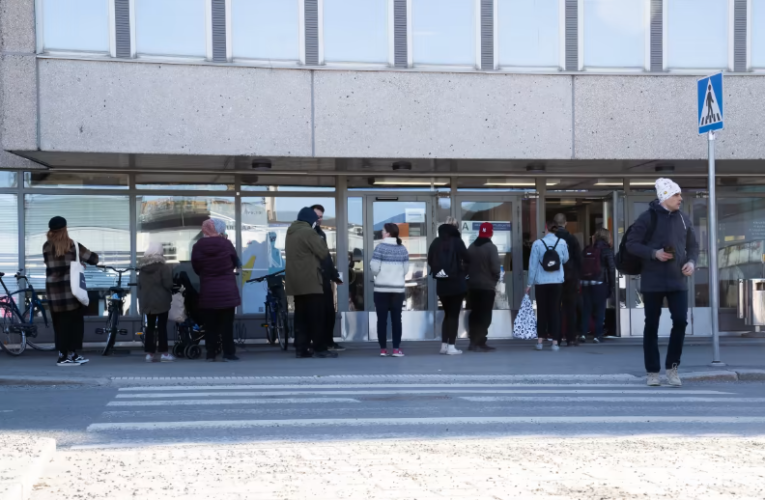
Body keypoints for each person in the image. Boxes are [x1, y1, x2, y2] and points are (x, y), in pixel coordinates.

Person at [625, 178, 698, 387]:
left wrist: (692, 263)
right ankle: (653, 372)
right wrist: (653, 253)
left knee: (681, 322)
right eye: (676, 195)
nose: (680, 199)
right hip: (653, 281)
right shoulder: (647, 218)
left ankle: (672, 368)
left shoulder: (684, 219)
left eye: (680, 194)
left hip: (677, 280)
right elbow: (631, 244)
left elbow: (693, 246)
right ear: (665, 196)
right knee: (652, 325)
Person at [43, 217, 99, 367]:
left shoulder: (46, 247)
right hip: (71, 291)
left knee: (59, 324)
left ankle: (62, 355)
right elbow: (94, 259)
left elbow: (54, 266)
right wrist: (78, 263)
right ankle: (73, 354)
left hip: (53, 292)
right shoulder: (73, 245)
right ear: (65, 228)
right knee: (74, 323)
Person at [285, 207, 337, 359]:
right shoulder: (308, 232)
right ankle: (320, 348)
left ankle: (301, 348)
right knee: (317, 317)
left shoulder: (291, 232)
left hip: (296, 282)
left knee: (301, 317)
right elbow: (322, 252)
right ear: (310, 220)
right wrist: (332, 274)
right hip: (311, 282)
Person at [191, 218, 241, 362]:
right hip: (227, 290)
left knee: (210, 325)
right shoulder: (226, 244)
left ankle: (211, 353)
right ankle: (228, 353)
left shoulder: (198, 246)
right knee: (227, 324)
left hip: (209, 290)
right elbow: (235, 261)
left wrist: (206, 273)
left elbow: (196, 266)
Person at [427, 216, 469, 355]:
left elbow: (430, 260)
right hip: (456, 284)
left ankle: (444, 345)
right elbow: (468, 259)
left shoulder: (436, 242)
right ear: (456, 228)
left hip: (441, 284)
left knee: (447, 314)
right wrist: (464, 273)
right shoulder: (457, 241)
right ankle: (452, 346)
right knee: (454, 315)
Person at [526, 221, 569, 351]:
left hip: (541, 282)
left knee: (542, 311)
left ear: (546, 229)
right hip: (557, 281)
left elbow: (532, 266)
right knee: (555, 311)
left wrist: (529, 284)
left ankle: (540, 341)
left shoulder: (537, 244)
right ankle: (555, 342)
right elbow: (565, 259)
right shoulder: (562, 243)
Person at [370, 223, 409, 357]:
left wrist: (381, 274)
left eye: (383, 231)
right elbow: (406, 270)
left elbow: (374, 268)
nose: (381, 232)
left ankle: (383, 349)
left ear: (388, 233)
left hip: (381, 289)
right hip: (397, 290)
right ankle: (396, 348)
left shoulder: (380, 248)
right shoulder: (402, 249)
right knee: (396, 319)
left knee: (382, 320)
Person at [311, 204, 344, 352]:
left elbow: (326, 257)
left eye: (321, 216)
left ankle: (328, 341)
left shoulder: (321, 234)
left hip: (324, 279)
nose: (319, 219)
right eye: (317, 215)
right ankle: (319, 344)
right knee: (318, 314)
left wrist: (333, 274)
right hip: (313, 279)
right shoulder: (308, 234)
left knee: (329, 312)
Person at [137, 242, 175, 363]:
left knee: (150, 327)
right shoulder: (163, 267)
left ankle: (150, 354)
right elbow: (168, 284)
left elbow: (140, 285)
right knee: (162, 327)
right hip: (161, 300)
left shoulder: (142, 269)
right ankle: (164, 353)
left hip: (148, 301)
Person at [466, 222, 500, 352]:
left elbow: (465, 266)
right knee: (485, 315)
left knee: (474, 313)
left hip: (473, 287)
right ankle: (480, 341)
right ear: (490, 233)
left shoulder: (471, 247)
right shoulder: (491, 248)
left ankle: (473, 341)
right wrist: (494, 281)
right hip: (486, 287)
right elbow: (496, 268)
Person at [580, 228, 615, 344]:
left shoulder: (587, 249)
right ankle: (598, 335)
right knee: (600, 310)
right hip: (600, 284)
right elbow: (611, 269)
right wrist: (611, 286)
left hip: (585, 283)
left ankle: (583, 334)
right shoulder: (607, 250)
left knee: (586, 309)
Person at [554, 213, 583, 346]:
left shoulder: (551, 238)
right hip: (571, 277)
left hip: (554, 277)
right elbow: (579, 259)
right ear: (565, 223)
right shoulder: (572, 239)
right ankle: (571, 337)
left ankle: (557, 337)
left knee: (556, 308)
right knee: (570, 308)